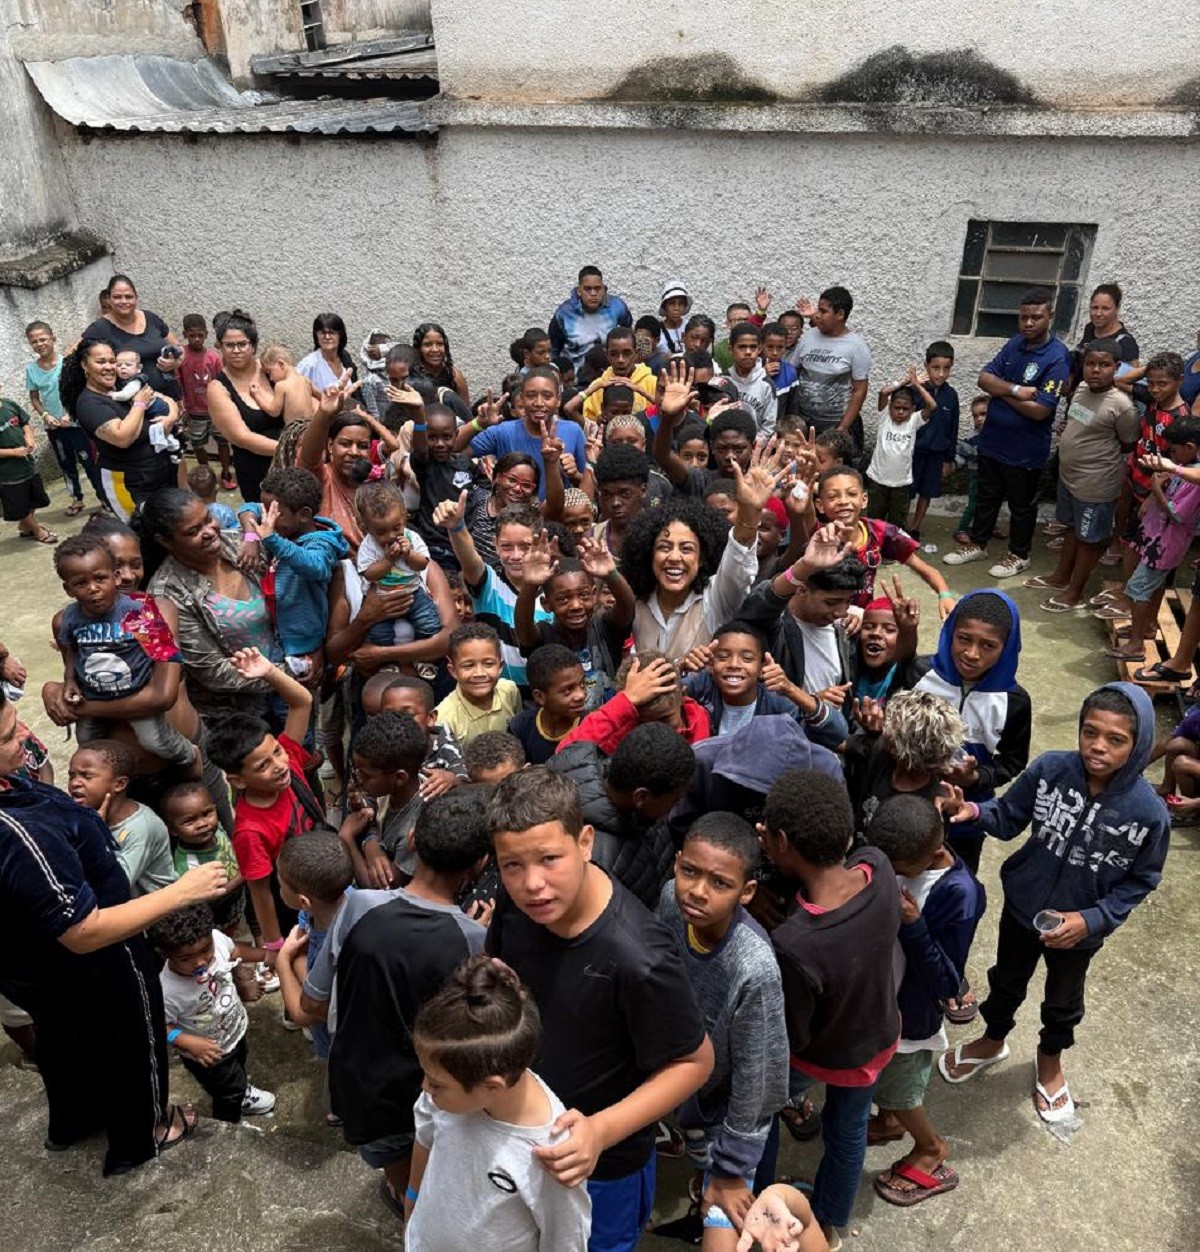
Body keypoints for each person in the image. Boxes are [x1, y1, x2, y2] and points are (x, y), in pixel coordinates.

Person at [0, 683, 228, 1175]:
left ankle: (73, 1123)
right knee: (134, 1040)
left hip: (36, 967)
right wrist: (180, 892)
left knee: (63, 1039)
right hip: (97, 956)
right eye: (5, 736)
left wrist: (79, 823)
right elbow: (82, 929)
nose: (23, 735)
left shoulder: (13, 789)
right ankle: (145, 1134)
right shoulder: (18, 832)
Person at [485, 767, 714, 1252]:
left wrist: (599, 1131)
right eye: (512, 866)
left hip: (603, 1163)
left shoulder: (640, 957)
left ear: (585, 842)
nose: (533, 885)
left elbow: (695, 1061)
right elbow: (500, 969)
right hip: (522, 1133)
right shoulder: (515, 904)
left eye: (550, 859)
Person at [939, 684, 1167, 1127]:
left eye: (1116, 740)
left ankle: (1049, 1060)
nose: (1098, 746)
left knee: (1063, 1001)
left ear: (1138, 745)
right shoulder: (1050, 770)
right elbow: (1007, 817)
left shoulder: (1148, 813)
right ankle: (992, 1038)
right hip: (1023, 907)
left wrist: (1092, 919)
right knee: (1006, 979)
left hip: (1080, 930)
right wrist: (974, 811)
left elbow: (1142, 880)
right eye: (1089, 732)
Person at [294, 788, 491, 1215]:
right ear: (481, 863)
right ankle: (415, 1209)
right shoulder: (473, 939)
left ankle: (404, 1196)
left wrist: (282, 965)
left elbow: (312, 1003)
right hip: (426, 1093)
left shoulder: (357, 907)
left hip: (362, 1088)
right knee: (428, 1169)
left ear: (413, 840)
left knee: (401, 1172)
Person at [762, 769, 900, 1246]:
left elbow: (794, 1036)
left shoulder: (795, 943)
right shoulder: (877, 866)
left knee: (759, 1111)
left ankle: (765, 1200)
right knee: (848, 1132)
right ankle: (830, 1222)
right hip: (878, 1033)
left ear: (779, 841)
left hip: (826, 1053)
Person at [655, 813, 788, 1248]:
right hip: (683, 1089)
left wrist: (730, 1169)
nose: (697, 891)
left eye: (719, 883)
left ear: (747, 892)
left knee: (724, 1224)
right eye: (689, 871)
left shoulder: (754, 968)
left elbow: (759, 1079)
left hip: (725, 1116)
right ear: (676, 862)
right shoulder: (670, 904)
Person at [406, 955, 592, 1251]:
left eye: (436, 1083)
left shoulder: (553, 1155)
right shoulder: (442, 1094)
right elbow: (425, 1138)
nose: (425, 1087)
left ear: (491, 1085)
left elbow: (565, 1241)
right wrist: (412, 1201)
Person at [864, 796, 984, 1208]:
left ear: (934, 852)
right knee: (883, 1078)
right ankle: (888, 1121)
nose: (891, 874)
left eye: (898, 869)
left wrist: (913, 926)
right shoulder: (901, 856)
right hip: (882, 996)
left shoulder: (961, 894)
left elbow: (948, 980)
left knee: (902, 1088)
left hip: (910, 1016)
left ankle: (930, 1147)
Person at [944, 288, 1072, 578]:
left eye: (1036, 317)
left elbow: (1041, 410)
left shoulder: (1058, 358)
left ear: (1050, 317)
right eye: (1024, 317)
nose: (1028, 323)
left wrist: (1000, 395)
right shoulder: (1014, 344)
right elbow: (983, 378)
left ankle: (1019, 554)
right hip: (993, 442)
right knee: (987, 498)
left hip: (1025, 452)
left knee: (1021, 507)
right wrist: (1015, 390)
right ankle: (978, 543)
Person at [204, 648, 319, 965]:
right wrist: (274, 944)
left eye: (277, 752)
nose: (279, 765)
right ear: (239, 781)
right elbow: (261, 892)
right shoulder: (250, 830)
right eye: (262, 766)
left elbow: (301, 702)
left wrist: (269, 672)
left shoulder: (290, 760)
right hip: (295, 902)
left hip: (324, 871)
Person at [52, 533, 201, 773]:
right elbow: (72, 651)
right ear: (68, 589)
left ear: (114, 576)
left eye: (100, 578)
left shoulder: (138, 613)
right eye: (81, 583)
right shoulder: (69, 619)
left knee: (155, 740)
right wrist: (69, 680)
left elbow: (166, 656)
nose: (93, 589)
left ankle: (190, 755)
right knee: (86, 740)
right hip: (95, 694)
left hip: (136, 697)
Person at [914, 590, 1030, 876]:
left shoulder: (1014, 701)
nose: (972, 654)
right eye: (963, 638)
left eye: (988, 645)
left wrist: (977, 777)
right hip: (911, 803)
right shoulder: (919, 675)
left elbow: (1012, 761)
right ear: (950, 632)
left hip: (966, 813)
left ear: (1007, 648)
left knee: (956, 883)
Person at [142, 489, 279, 722]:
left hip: (287, 679)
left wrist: (251, 535)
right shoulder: (167, 595)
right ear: (165, 541)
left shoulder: (238, 543)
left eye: (208, 519)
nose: (209, 532)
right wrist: (286, 675)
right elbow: (213, 671)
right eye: (193, 531)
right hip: (241, 714)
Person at [1024, 340, 1138, 612]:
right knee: (1072, 529)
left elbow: (1127, 443)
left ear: (1116, 368)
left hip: (1096, 483)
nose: (1095, 370)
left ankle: (1074, 593)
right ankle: (1061, 577)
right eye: (1090, 363)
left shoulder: (1122, 406)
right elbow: (1079, 420)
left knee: (1089, 539)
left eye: (1104, 364)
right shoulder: (1082, 389)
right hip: (1069, 477)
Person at [621, 460, 776, 659]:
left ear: (702, 558)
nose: (674, 557)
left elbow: (738, 557)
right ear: (649, 554)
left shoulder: (716, 598)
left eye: (686, 549)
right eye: (664, 547)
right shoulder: (636, 603)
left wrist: (748, 512)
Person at [148, 902, 276, 1121]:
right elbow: (160, 1026)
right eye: (186, 958)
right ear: (165, 954)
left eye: (205, 951)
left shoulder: (216, 939)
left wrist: (266, 956)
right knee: (226, 1094)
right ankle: (228, 1124)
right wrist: (187, 1042)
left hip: (234, 1031)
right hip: (207, 1055)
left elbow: (234, 950)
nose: (201, 961)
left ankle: (240, 1090)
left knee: (238, 1067)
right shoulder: (168, 991)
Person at [1105, 418, 1200, 663]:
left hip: (1167, 544)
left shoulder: (1194, 478)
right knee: (1154, 585)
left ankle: (1136, 644)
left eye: (1174, 450)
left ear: (1190, 447)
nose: (1171, 454)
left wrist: (1156, 487)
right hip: (1156, 535)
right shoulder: (1183, 467)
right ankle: (1146, 628)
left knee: (1137, 589)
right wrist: (1154, 494)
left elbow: (1180, 514)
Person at [238, 466, 348, 679]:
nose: (266, 519)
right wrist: (251, 536)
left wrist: (272, 540)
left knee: (295, 696)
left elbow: (314, 566)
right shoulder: (280, 524)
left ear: (304, 514)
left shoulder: (321, 544)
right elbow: (247, 508)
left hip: (303, 643)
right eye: (265, 511)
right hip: (276, 633)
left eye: (273, 514)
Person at [58, 338, 178, 522]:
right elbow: (123, 437)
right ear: (85, 365)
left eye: (112, 361)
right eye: (100, 362)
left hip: (159, 471)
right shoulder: (89, 403)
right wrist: (139, 403)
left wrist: (170, 417)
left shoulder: (121, 386)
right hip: (128, 482)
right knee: (141, 534)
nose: (109, 367)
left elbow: (168, 400)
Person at [515, 527, 635, 710]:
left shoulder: (605, 628)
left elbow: (627, 606)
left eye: (584, 596)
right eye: (564, 599)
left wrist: (611, 575)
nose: (576, 605)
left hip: (606, 728)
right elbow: (523, 628)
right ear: (547, 604)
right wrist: (529, 585)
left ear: (594, 595)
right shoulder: (545, 636)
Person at [681, 620, 846, 751]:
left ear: (762, 668)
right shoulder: (701, 686)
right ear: (710, 665)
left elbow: (837, 734)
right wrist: (682, 667)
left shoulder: (776, 704)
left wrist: (791, 689)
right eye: (723, 657)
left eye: (747, 658)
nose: (734, 664)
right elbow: (661, 702)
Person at [811, 466, 955, 614]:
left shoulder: (880, 532)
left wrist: (945, 595)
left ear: (864, 499)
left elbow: (925, 569)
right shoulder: (817, 536)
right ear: (820, 505)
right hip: (823, 617)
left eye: (852, 494)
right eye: (833, 496)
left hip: (862, 618)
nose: (843, 501)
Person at [846, 689, 965, 836]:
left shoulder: (935, 805)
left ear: (902, 749)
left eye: (891, 727)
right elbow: (841, 742)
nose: (884, 729)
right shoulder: (882, 752)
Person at [459, 370, 591, 501]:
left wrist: (574, 475)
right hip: (512, 517)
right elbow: (454, 450)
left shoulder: (573, 431)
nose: (539, 403)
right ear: (521, 398)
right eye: (531, 395)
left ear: (558, 400)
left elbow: (588, 490)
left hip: (557, 519)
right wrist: (478, 423)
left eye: (547, 396)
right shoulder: (503, 432)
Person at [66, 739, 175, 897]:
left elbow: (114, 888)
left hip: (155, 912)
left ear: (119, 784)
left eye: (86, 776)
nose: (75, 783)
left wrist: (96, 834)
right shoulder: (80, 815)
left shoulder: (140, 828)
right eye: (71, 776)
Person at [24, 320, 104, 514]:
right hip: (55, 428)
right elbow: (34, 398)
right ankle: (76, 499)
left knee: (90, 462)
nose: (40, 344)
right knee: (65, 463)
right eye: (34, 341)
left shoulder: (68, 363)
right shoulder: (31, 370)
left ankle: (104, 498)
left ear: (53, 339)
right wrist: (45, 415)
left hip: (77, 424)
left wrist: (71, 412)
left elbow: (81, 390)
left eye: (43, 339)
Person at [560, 650, 711, 753]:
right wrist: (626, 700)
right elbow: (565, 755)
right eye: (642, 723)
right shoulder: (618, 731)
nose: (655, 733)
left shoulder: (700, 719)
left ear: (682, 698)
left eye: (664, 720)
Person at [207, 310, 284, 504]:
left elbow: (299, 391)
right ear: (221, 348)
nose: (236, 350)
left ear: (253, 345)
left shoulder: (271, 368)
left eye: (242, 344)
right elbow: (242, 437)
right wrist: (291, 449)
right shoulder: (217, 388)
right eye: (229, 345)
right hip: (258, 474)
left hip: (293, 467)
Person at [354, 480, 443, 647]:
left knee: (430, 623)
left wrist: (409, 553)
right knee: (379, 634)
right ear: (366, 527)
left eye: (396, 528)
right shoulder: (369, 545)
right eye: (381, 532)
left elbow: (422, 564)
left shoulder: (412, 538)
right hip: (382, 598)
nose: (390, 536)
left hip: (412, 593)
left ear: (404, 516)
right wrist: (388, 560)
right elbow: (369, 573)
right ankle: (388, 665)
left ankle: (423, 659)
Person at [787, 286, 872, 451]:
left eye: (823, 311)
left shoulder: (856, 346)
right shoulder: (810, 336)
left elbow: (859, 391)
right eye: (818, 309)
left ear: (840, 314)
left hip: (835, 426)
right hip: (805, 424)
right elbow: (793, 370)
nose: (817, 315)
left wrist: (842, 429)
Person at [161, 780, 245, 933]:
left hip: (236, 899)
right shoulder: (188, 863)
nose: (202, 824)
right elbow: (207, 897)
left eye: (207, 814)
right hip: (218, 913)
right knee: (225, 936)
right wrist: (242, 876)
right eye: (189, 821)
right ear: (173, 830)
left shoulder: (217, 828)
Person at [82, 273, 182, 398]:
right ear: (108, 299)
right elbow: (75, 359)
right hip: (133, 404)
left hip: (171, 395)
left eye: (129, 296)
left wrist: (176, 362)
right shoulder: (99, 329)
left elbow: (178, 347)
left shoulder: (151, 318)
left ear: (136, 297)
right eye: (117, 297)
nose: (124, 301)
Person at [408, 400, 477, 571]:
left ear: (456, 434)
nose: (440, 444)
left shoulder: (464, 463)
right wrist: (418, 419)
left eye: (446, 437)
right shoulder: (426, 465)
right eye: (432, 437)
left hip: (465, 543)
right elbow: (420, 451)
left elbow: (481, 484)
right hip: (437, 548)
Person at [435, 622, 521, 747]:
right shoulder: (445, 719)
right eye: (468, 665)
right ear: (453, 671)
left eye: (488, 664)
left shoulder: (509, 691)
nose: (479, 673)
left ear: (500, 666)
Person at [867, 373, 935, 528]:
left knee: (896, 525)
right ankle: (874, 550)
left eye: (905, 409)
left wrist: (917, 385)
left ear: (913, 409)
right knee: (874, 522)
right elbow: (884, 392)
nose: (900, 412)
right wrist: (905, 381)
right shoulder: (884, 416)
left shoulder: (913, 421)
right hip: (878, 481)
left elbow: (932, 406)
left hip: (901, 484)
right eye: (897, 408)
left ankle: (892, 551)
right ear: (890, 407)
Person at [907, 342, 961, 540]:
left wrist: (949, 459)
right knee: (907, 491)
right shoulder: (916, 391)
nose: (940, 374)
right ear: (926, 366)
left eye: (946, 368)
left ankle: (915, 528)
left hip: (937, 454)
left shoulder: (951, 396)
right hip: (914, 452)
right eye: (935, 368)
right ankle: (900, 526)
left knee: (926, 493)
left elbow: (953, 428)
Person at [177, 313, 234, 489]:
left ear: (206, 334)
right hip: (194, 413)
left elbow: (221, 382)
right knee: (198, 445)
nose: (196, 339)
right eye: (192, 335)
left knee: (223, 442)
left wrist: (225, 406)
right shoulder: (181, 357)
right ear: (185, 334)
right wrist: (182, 407)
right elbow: (178, 383)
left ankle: (226, 472)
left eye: (200, 335)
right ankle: (206, 474)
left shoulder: (213, 358)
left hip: (215, 411)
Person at [508, 645, 587, 763]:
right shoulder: (521, 727)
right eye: (568, 690)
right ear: (540, 697)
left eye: (582, 685)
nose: (581, 695)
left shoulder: (591, 726)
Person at [0, 386, 56, 543]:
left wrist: (30, 438)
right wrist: (13, 452)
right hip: (8, 473)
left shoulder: (9, 405)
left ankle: (25, 527)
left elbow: (25, 423)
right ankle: (38, 531)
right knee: (20, 506)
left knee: (34, 499)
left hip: (27, 465)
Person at [550, 266, 634, 371]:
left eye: (597, 288)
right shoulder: (563, 314)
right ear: (578, 291)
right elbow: (554, 350)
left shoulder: (618, 307)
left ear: (603, 289)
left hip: (611, 377)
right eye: (587, 289)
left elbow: (629, 336)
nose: (593, 293)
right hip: (576, 381)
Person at [580, 326, 658, 421]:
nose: (620, 360)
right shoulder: (597, 387)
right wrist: (598, 422)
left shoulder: (652, 383)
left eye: (627, 353)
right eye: (614, 354)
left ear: (636, 353)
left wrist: (640, 391)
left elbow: (666, 413)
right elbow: (588, 423)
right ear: (606, 355)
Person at [725, 321, 783, 436]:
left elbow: (769, 427)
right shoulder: (723, 381)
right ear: (731, 349)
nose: (748, 352)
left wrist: (752, 444)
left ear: (759, 349)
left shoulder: (766, 384)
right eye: (742, 347)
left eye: (753, 347)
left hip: (755, 448)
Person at [297, 312, 357, 391]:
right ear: (316, 336)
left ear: (340, 335)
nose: (327, 337)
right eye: (322, 333)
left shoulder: (345, 358)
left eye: (332, 333)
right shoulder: (310, 363)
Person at [412, 322, 469, 402]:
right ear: (418, 349)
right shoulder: (412, 377)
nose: (435, 349)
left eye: (440, 344)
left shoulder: (455, 376)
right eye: (428, 344)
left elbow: (465, 412)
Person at [188, 464, 238, 529]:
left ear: (192, 491)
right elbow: (234, 530)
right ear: (216, 488)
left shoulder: (190, 511)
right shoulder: (225, 511)